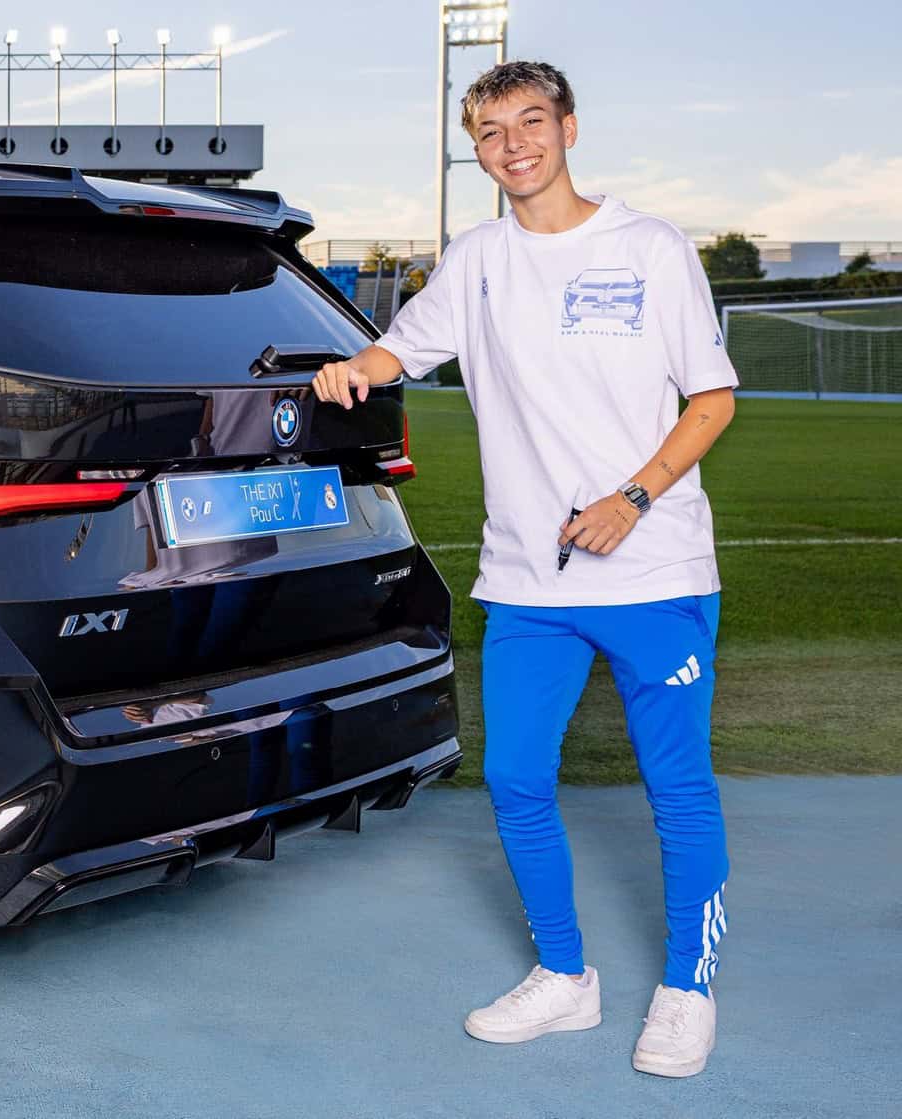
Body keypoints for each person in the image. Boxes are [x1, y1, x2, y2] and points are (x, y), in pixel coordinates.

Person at [312, 60, 737, 1079]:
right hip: (527, 583)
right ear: (476, 150)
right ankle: (563, 976)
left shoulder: (648, 247)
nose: (513, 145)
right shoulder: (476, 260)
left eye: (531, 122)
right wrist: (353, 368)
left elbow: (712, 399)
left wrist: (630, 499)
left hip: (653, 571)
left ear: (568, 128)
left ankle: (686, 988)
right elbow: (397, 352)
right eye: (491, 132)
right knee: (512, 776)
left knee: (676, 786)